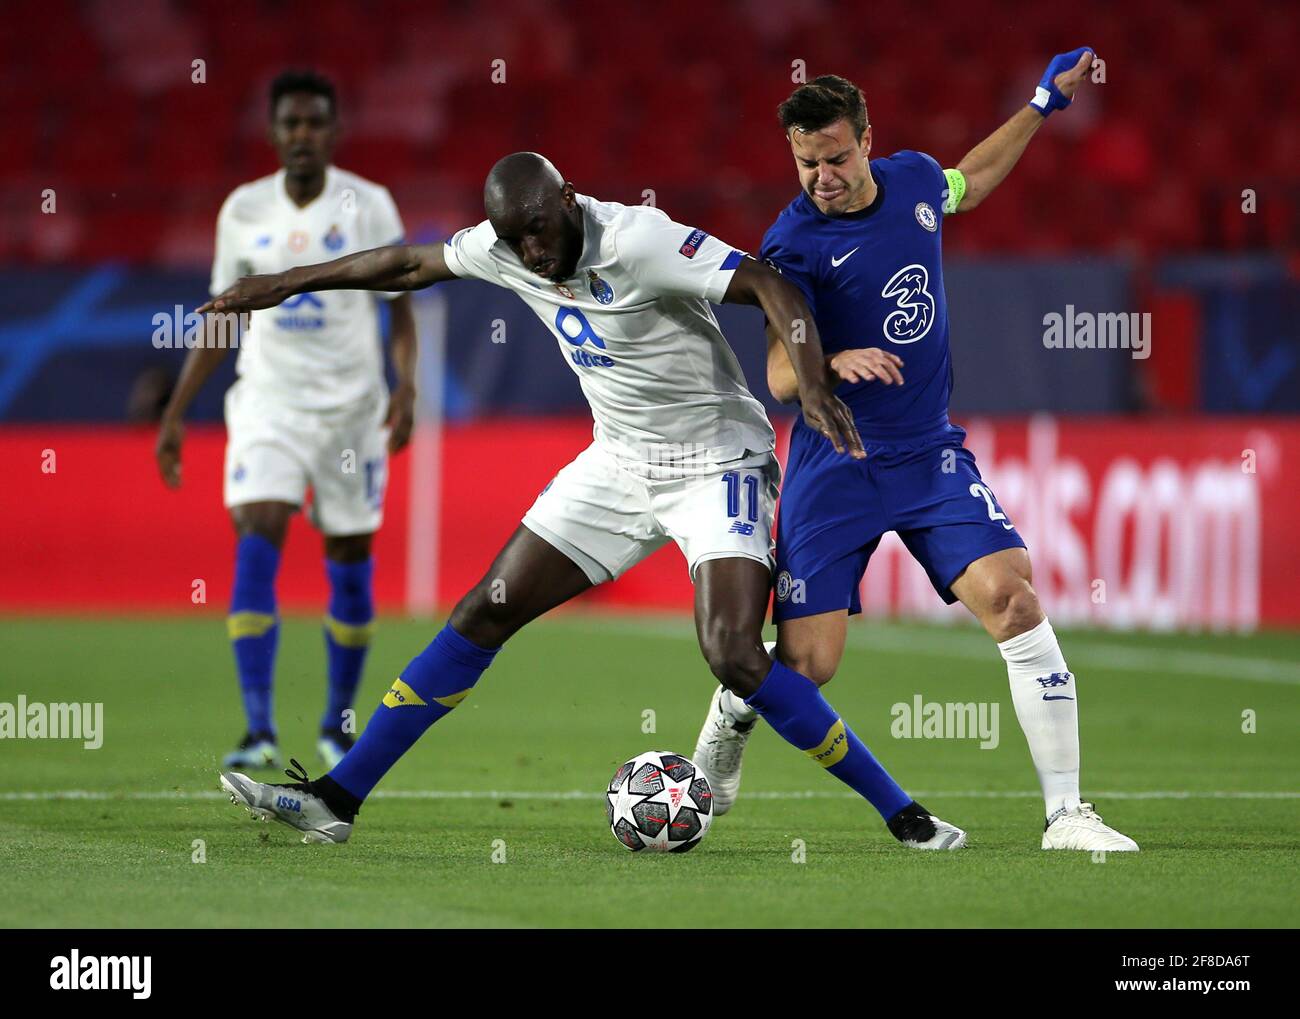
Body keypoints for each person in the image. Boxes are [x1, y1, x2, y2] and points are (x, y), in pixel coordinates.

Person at [209, 151, 964, 850]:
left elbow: (774, 284)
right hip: (618, 464)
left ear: (566, 200)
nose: (531, 251)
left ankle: (904, 812)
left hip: (716, 462)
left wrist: (815, 380)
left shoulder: (639, 240)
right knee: (484, 610)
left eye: (538, 229)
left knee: (734, 652)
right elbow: (408, 262)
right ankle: (337, 799)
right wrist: (285, 282)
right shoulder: (505, 247)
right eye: (515, 239)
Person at [693, 50, 1139, 851]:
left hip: (930, 454)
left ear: (868, 141)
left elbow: (970, 176)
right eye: (806, 163)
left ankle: (1067, 814)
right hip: (836, 464)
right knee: (809, 665)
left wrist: (1041, 101)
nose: (822, 177)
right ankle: (733, 706)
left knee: (1014, 598)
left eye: (835, 157)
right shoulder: (790, 246)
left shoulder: (915, 184)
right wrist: (831, 361)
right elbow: (778, 374)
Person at [155, 70, 417, 771]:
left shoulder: (369, 203)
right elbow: (219, 321)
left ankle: (335, 723)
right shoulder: (242, 210)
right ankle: (259, 728)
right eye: (291, 123)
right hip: (269, 403)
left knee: (349, 562)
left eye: (315, 123)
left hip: (352, 412)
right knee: (260, 525)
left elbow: (399, 301)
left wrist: (407, 385)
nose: (302, 135)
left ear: (334, 131)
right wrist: (177, 414)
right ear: (273, 132)